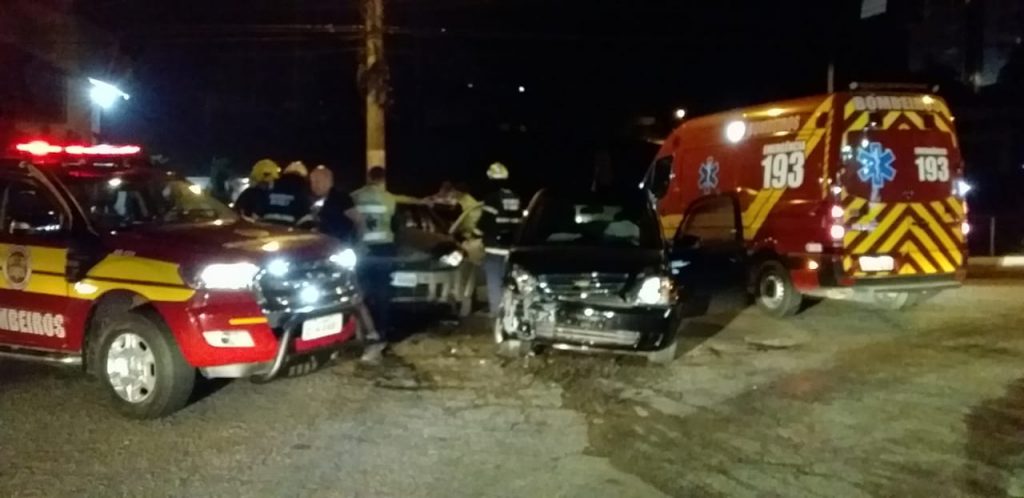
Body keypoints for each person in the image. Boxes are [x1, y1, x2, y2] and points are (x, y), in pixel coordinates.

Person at [350, 166, 422, 363]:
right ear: (383, 179)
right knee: (383, 293)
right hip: (384, 251)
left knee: (361, 293)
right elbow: (396, 225)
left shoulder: (355, 196)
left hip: (362, 251)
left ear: (368, 177)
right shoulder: (389, 199)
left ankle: (362, 332)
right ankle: (381, 332)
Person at [477, 161, 523, 316]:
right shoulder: (515, 197)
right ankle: (511, 312)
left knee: (494, 282)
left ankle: (497, 313)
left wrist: (475, 232)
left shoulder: (491, 198)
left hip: (494, 248)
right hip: (511, 248)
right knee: (510, 282)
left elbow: (485, 222)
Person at [261, 161, 311, 226]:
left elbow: (259, 211)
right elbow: (305, 217)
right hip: (288, 232)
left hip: (267, 231)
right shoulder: (301, 190)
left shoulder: (272, 186)